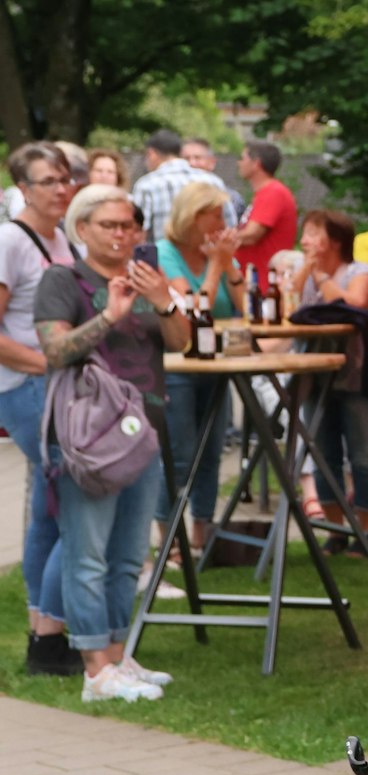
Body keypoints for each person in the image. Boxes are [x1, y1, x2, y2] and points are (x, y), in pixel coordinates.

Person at [34, 184, 187, 701]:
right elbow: (54, 350)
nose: (123, 234)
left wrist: (164, 302)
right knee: (88, 554)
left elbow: (181, 343)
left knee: (127, 556)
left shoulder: (147, 282)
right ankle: (96, 669)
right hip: (89, 440)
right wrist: (109, 316)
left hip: (143, 434)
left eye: (130, 226)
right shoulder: (64, 279)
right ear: (82, 229)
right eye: (110, 225)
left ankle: (120, 657)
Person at [0, 143, 78, 676]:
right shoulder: (10, 240)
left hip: (60, 387)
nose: (61, 189)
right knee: (73, 503)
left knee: (51, 506)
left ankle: (45, 636)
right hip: (28, 389)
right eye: (49, 181)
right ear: (23, 189)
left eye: (65, 180)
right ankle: (49, 638)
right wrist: (44, 366)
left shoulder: (62, 237)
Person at [155, 182, 246, 565]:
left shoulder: (220, 253)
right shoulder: (166, 255)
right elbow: (193, 312)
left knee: (211, 453)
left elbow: (246, 309)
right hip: (177, 367)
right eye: (217, 215)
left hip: (217, 365)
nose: (224, 223)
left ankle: (202, 535)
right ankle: (168, 539)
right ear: (194, 217)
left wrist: (228, 266)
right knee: (179, 455)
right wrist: (215, 266)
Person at [292, 210, 368, 555]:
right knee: (323, 454)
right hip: (315, 377)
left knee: (363, 457)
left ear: (335, 240)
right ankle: (335, 531)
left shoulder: (360, 272)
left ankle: (365, 532)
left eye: (313, 233)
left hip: (357, 376)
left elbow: (356, 303)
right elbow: (288, 299)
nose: (305, 241)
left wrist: (321, 276)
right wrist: (307, 271)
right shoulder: (305, 271)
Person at [129, 130, 231, 239]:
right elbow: (230, 227)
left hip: (161, 255)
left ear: (152, 153)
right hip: (208, 254)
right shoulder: (213, 182)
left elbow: (138, 232)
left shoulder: (146, 185)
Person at [232, 141, 295, 287]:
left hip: (263, 283)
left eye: (243, 158)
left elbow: (252, 234)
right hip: (255, 282)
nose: (238, 163)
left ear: (256, 164)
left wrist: (221, 239)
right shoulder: (265, 193)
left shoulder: (272, 192)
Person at [179, 137, 243, 220]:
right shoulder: (172, 193)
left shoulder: (231, 198)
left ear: (212, 162)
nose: (192, 163)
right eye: (186, 158)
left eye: (197, 158)